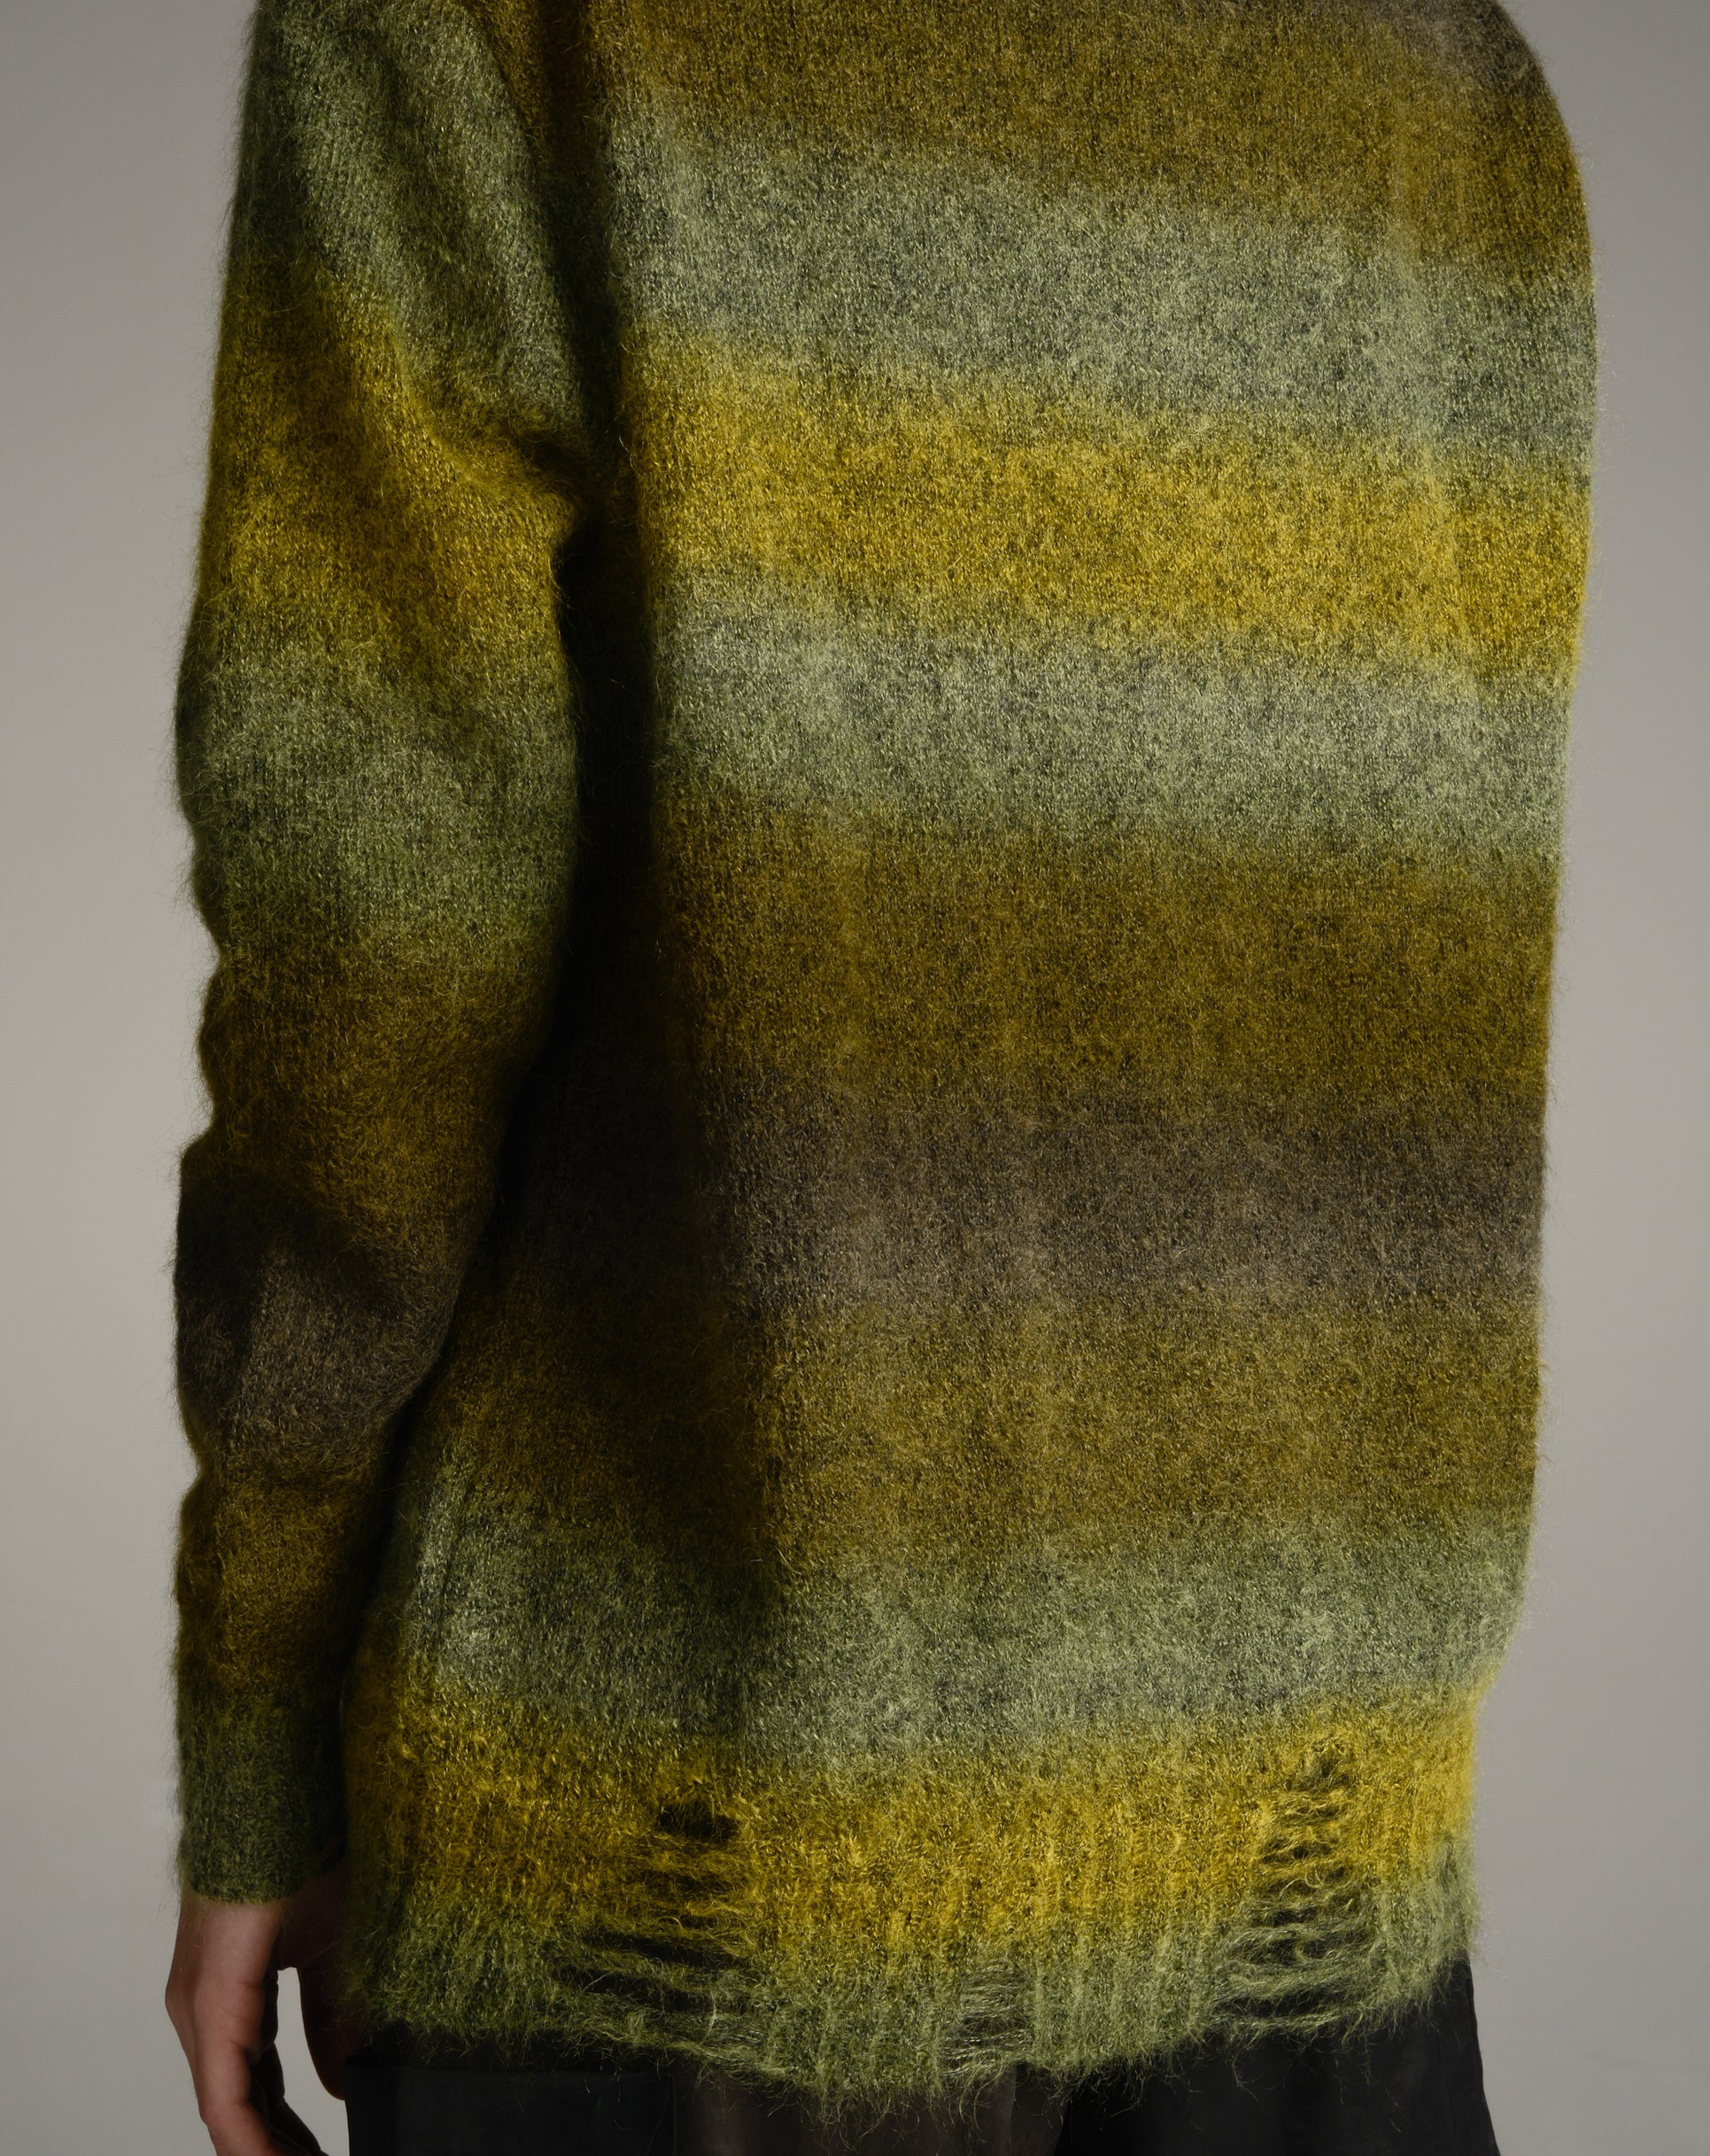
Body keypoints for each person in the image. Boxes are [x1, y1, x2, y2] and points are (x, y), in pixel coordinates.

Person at [161, 2, 1596, 2150]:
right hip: (1318, 1848)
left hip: (688, 1843)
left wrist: (264, 1723)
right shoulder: (1441, 67)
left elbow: (370, 944)